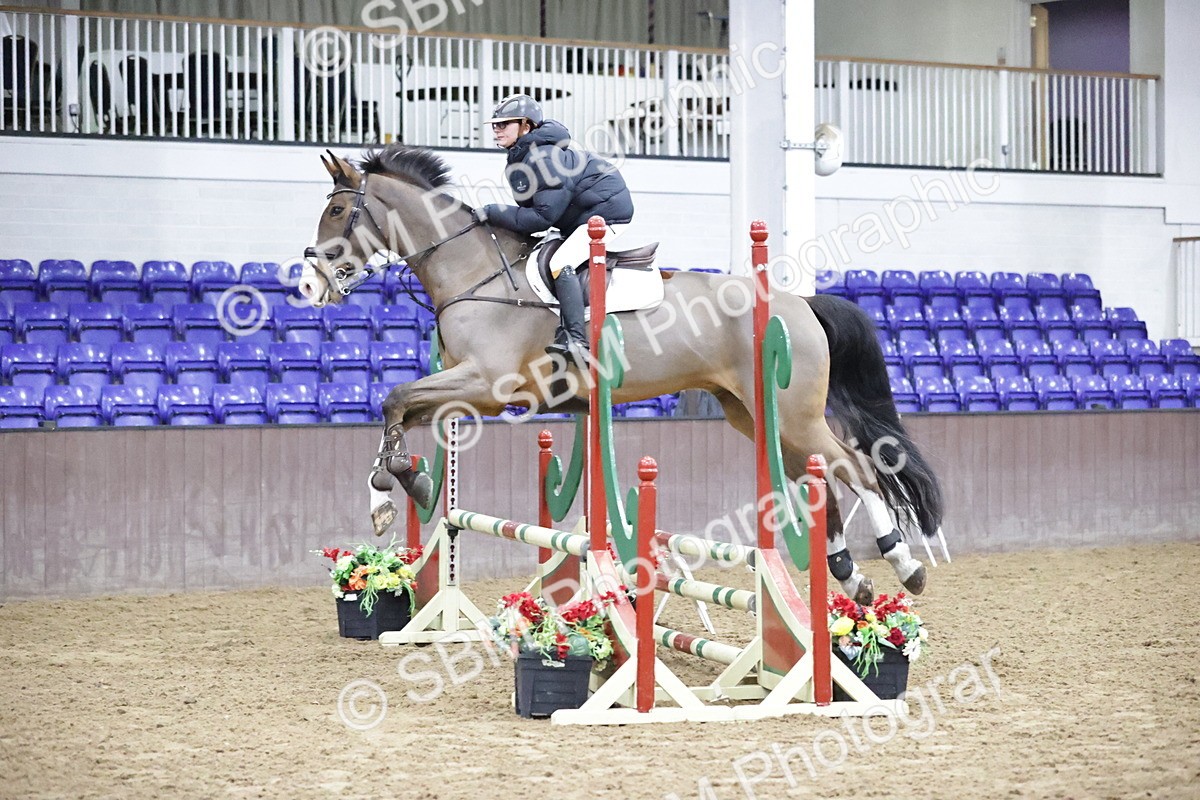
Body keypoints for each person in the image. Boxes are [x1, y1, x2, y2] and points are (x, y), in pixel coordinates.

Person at [475, 93, 634, 367]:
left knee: (561, 262)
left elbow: (541, 218)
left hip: (607, 217)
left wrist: (492, 212)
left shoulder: (543, 156)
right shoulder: (526, 154)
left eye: (504, 124)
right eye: (495, 124)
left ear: (526, 126)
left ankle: (576, 339)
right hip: (581, 217)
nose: (497, 129)